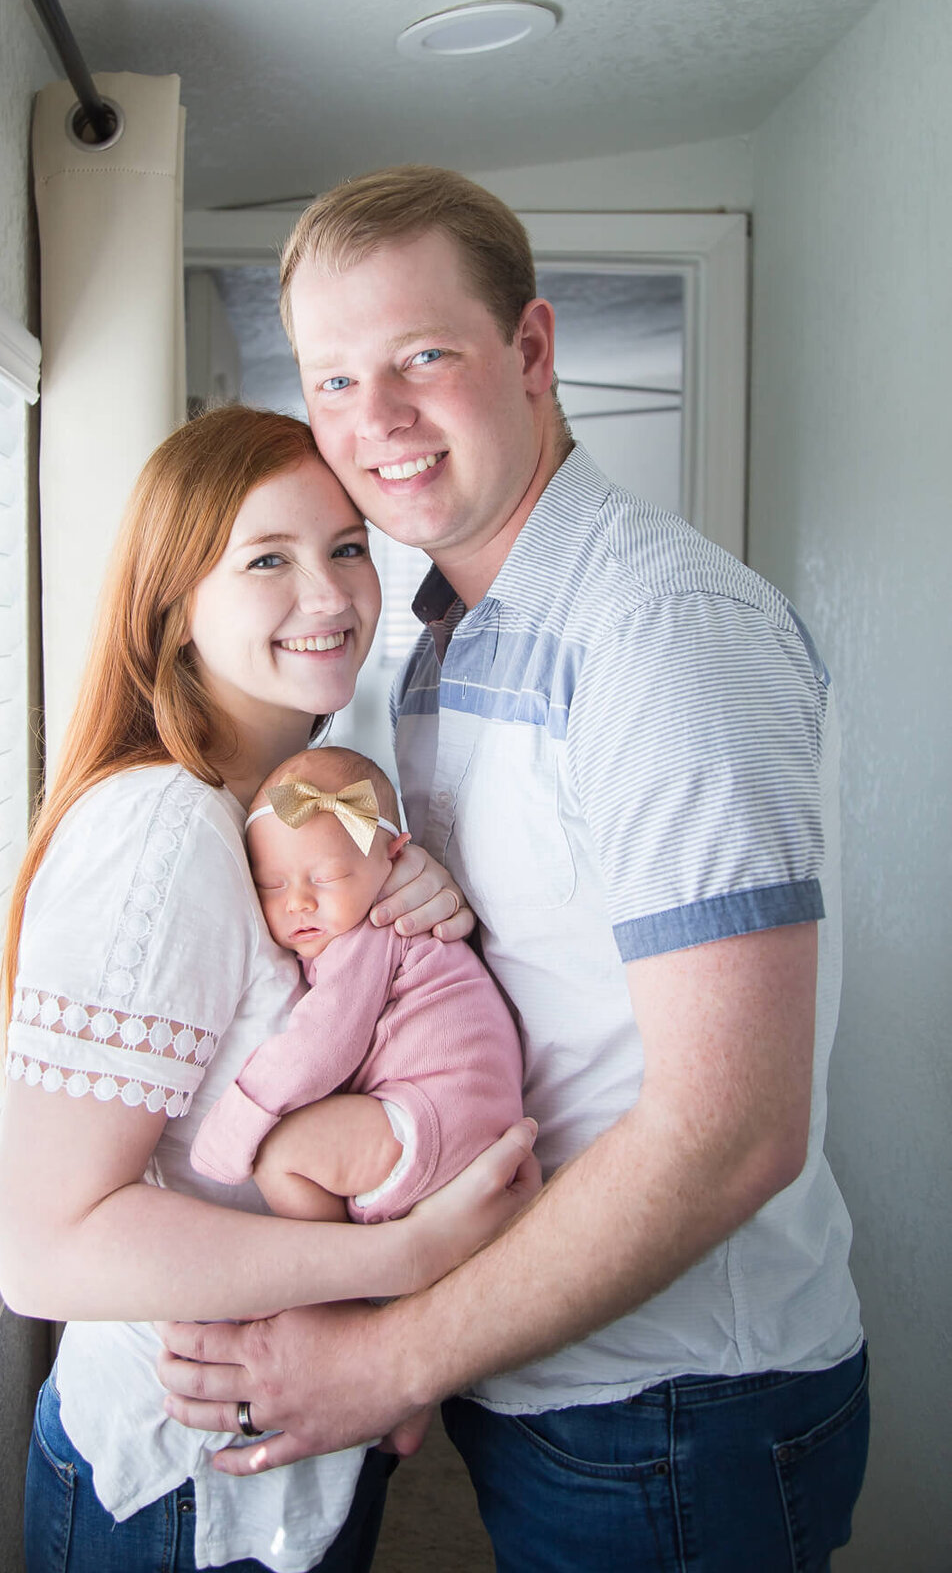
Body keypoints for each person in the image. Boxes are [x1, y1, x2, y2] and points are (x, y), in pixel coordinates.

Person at [156, 168, 870, 1572]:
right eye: (336, 377)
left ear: (533, 352)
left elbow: (734, 1131)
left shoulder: (655, 634)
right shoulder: (442, 640)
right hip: (550, 1363)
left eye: (425, 356)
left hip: (673, 1406)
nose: (379, 422)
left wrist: (390, 1354)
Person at [0, 403, 539, 1573]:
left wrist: (408, 904)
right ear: (173, 605)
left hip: (294, 1444)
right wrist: (400, 1271)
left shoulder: (285, 810)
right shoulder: (163, 831)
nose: (333, 596)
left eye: (347, 546)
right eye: (268, 560)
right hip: (187, 1488)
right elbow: (43, 1250)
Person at [190, 743, 525, 1223]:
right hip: (462, 1113)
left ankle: (334, 1287)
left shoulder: (376, 929)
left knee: (280, 1156)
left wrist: (232, 1126)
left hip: (441, 1114)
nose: (299, 902)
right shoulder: (356, 928)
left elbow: (321, 1044)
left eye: (327, 878)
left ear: (395, 860)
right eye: (272, 884)